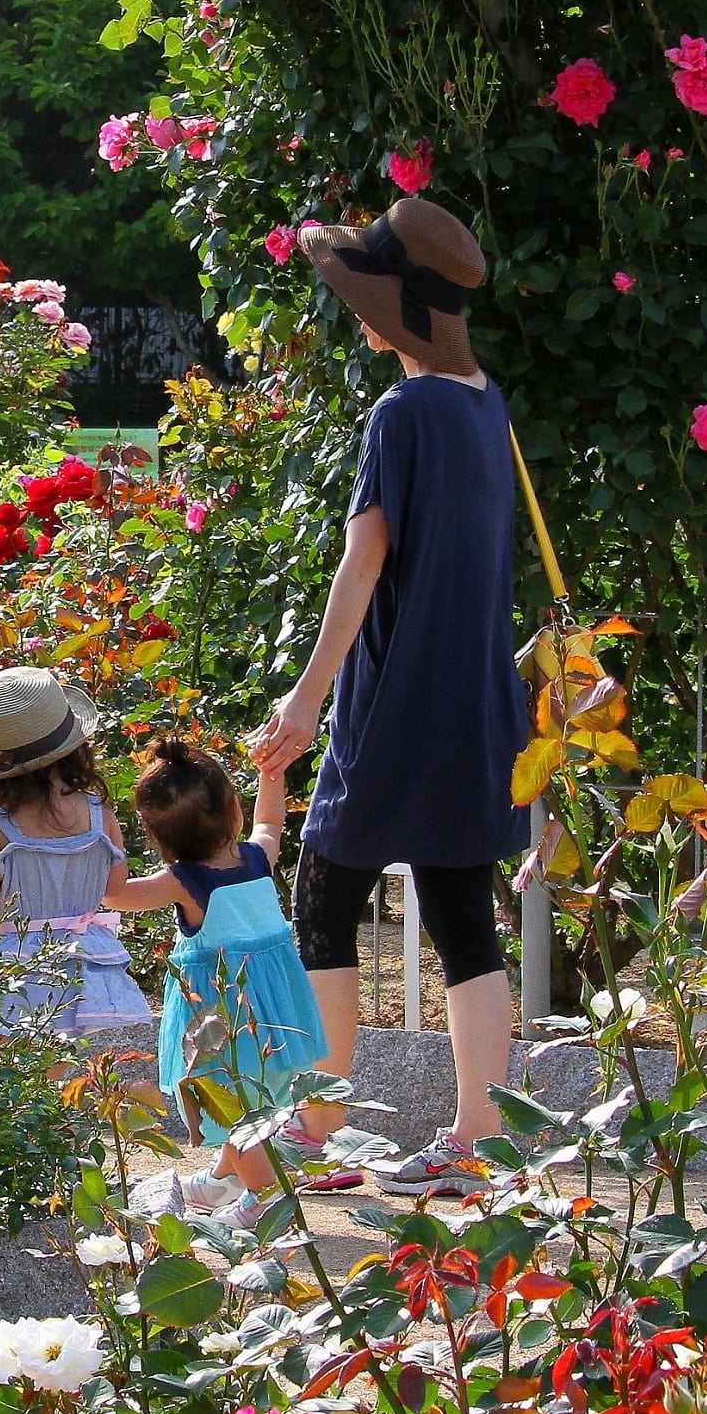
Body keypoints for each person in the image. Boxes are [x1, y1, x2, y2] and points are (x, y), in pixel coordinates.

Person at [249, 197, 527, 1199]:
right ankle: (473, 1139)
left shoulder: (400, 413)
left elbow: (362, 566)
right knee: (462, 921)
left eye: (364, 300)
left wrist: (304, 699)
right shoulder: (485, 401)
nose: (356, 314)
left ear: (391, 314)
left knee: (322, 902)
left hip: (394, 705)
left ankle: (315, 1136)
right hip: (477, 705)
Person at [103, 738, 336, 1231]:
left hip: (223, 1025)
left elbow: (115, 895)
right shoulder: (257, 858)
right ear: (234, 809)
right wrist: (272, 774)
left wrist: (107, 830)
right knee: (257, 1099)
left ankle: (267, 1199)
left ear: (157, 836)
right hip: (277, 1016)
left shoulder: (185, 882)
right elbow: (271, 824)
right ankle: (223, 1180)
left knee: (231, 1106)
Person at [0, 667, 155, 1031]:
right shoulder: (98, 814)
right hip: (79, 967)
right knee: (60, 1074)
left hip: (15, 972)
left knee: (1, 1074)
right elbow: (114, 889)